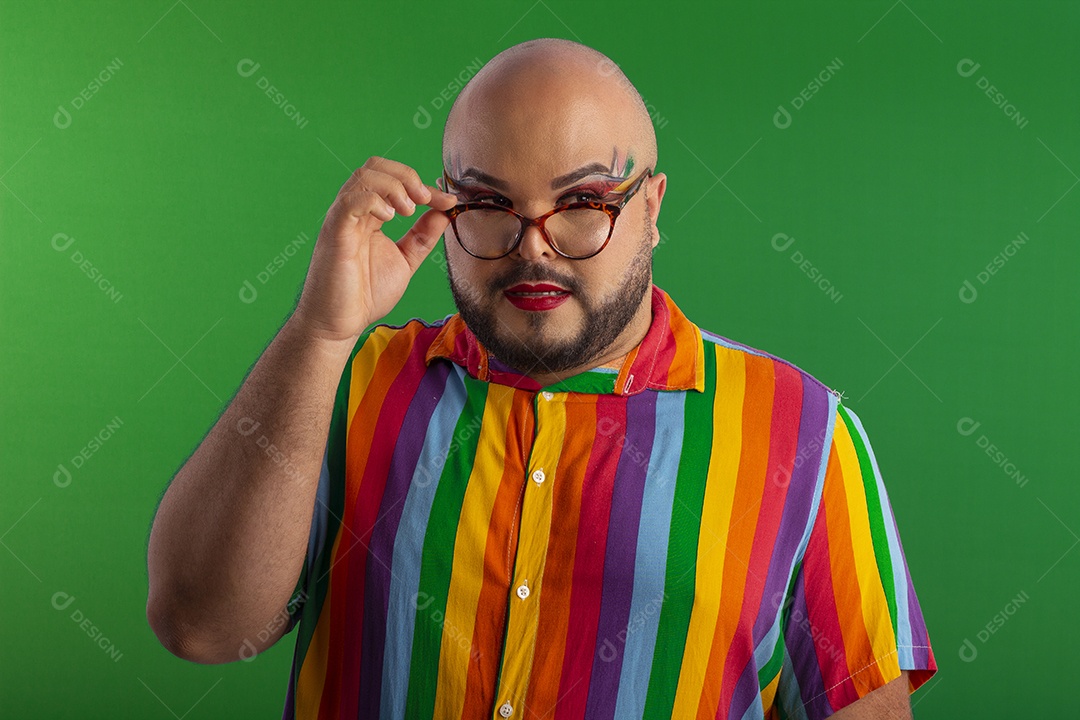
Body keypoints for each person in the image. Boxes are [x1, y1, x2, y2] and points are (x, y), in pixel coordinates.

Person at [146, 37, 937, 720]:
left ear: (652, 207)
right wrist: (317, 335)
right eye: (490, 203)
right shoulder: (345, 385)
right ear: (445, 209)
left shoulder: (802, 432)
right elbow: (200, 627)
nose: (535, 247)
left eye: (583, 202)